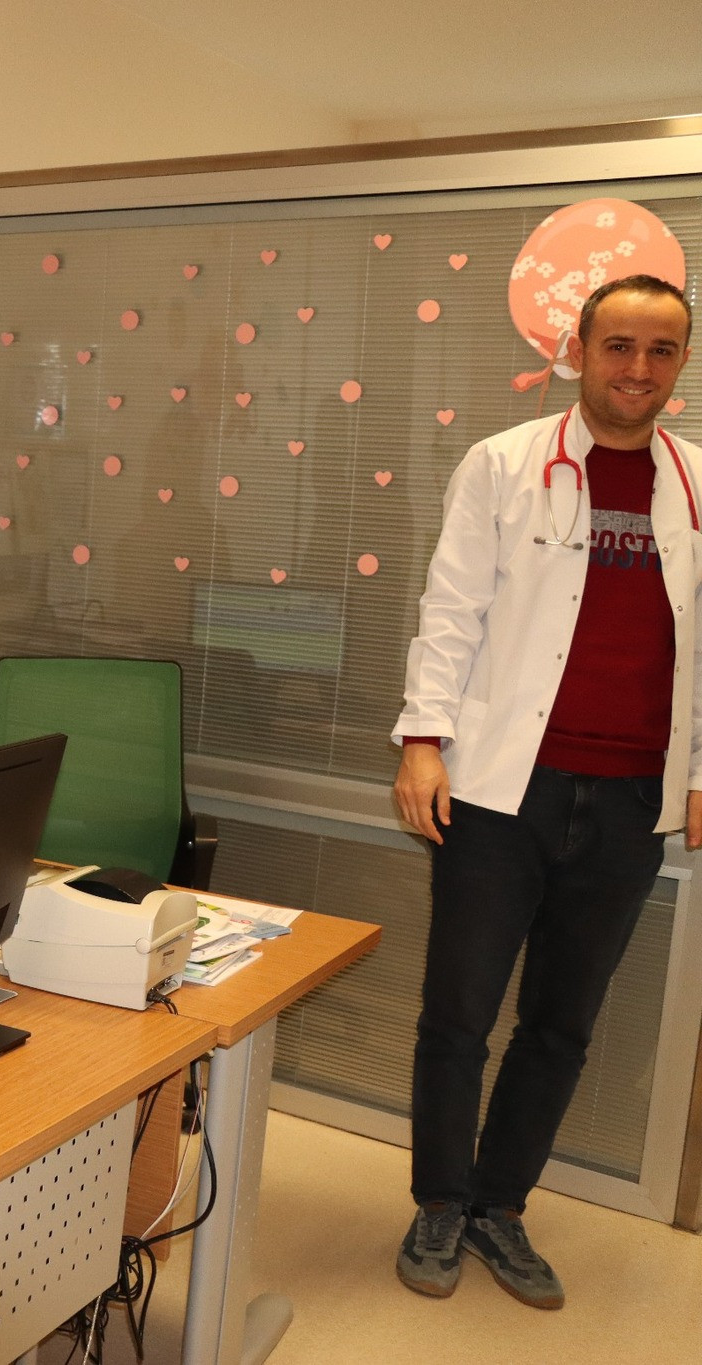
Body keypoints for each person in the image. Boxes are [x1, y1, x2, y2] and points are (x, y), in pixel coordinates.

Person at [390, 273, 698, 1310]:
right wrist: (421, 741)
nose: (637, 369)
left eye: (660, 350)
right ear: (578, 352)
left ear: (681, 364)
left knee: (562, 1022)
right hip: (496, 788)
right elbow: (450, 610)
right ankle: (440, 1200)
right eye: (619, 345)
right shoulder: (503, 463)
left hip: (630, 799)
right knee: (458, 1012)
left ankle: (498, 1205)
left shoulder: (697, 482)